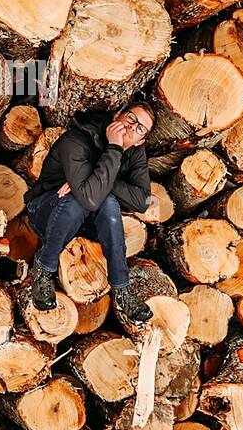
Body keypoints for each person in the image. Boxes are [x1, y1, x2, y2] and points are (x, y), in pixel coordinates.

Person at [24, 103, 155, 322]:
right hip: (45, 213)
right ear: (117, 115)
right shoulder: (76, 140)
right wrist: (114, 149)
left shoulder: (135, 151)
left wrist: (98, 179)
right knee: (79, 198)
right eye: (131, 118)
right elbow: (89, 197)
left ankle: (122, 290)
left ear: (141, 140)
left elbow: (142, 201)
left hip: (84, 224)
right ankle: (43, 268)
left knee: (109, 203)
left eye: (140, 128)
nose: (133, 127)